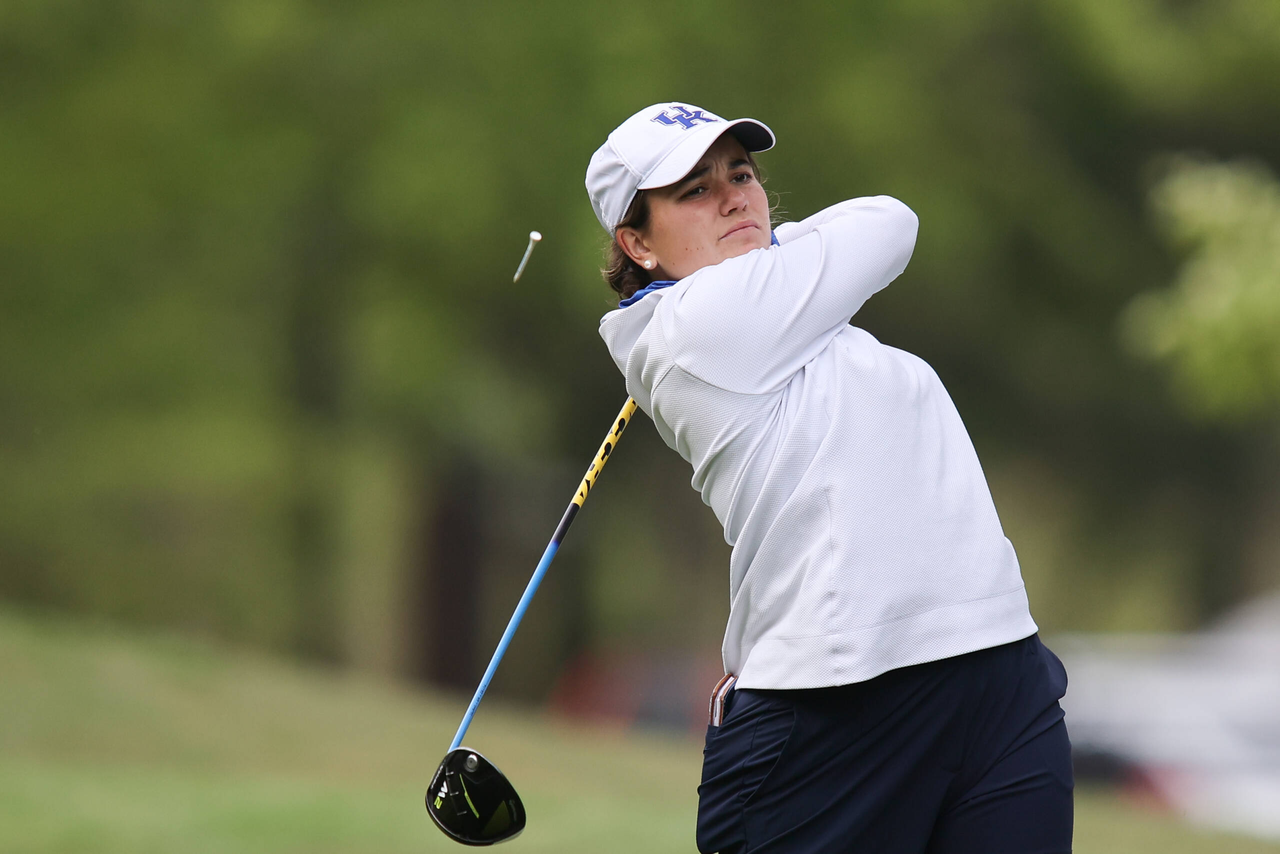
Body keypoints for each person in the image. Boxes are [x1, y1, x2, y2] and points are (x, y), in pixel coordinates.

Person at [585, 102, 1073, 854]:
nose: (734, 198)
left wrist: (764, 252)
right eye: (695, 190)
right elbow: (888, 223)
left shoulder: (801, 317)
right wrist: (772, 250)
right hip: (838, 706)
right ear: (637, 243)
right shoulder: (692, 329)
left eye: (740, 175)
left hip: (997, 667)